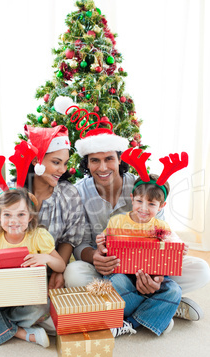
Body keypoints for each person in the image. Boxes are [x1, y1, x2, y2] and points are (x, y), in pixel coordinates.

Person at [64, 118, 210, 335]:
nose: (102, 167)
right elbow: (79, 242)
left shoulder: (144, 186)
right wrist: (95, 256)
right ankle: (162, 306)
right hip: (110, 270)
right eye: (95, 160)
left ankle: (140, 304)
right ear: (86, 162)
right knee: (74, 274)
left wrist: (157, 276)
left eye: (109, 159)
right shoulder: (78, 193)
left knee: (201, 270)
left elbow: (161, 231)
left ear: (119, 158)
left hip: (149, 266)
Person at [0, 125, 85, 336]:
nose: (63, 169)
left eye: (65, 163)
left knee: (52, 316)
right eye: (56, 162)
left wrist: (59, 271)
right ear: (37, 161)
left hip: (39, 276)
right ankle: (17, 329)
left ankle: (0, 322)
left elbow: (70, 239)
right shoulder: (4, 192)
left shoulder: (69, 194)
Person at [0, 187, 65, 350]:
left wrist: (47, 258)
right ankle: (21, 333)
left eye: (21, 214)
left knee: (42, 307)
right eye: (7, 215)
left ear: (30, 217)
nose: (14, 220)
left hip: (25, 299)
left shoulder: (38, 237)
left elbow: (61, 265)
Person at [96, 171, 182, 336]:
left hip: (151, 275)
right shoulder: (117, 221)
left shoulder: (161, 227)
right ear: (132, 198)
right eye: (139, 201)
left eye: (151, 204)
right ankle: (156, 311)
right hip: (124, 276)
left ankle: (129, 322)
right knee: (114, 283)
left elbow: (172, 247)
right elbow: (105, 243)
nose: (143, 208)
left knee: (174, 291)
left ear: (161, 206)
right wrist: (101, 244)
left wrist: (177, 249)